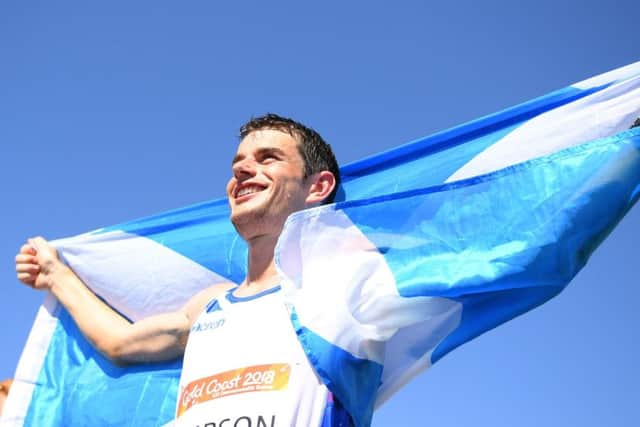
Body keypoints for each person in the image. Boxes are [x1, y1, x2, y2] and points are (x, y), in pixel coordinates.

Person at [15, 114, 350, 426]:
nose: (243, 169)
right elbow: (118, 344)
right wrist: (56, 275)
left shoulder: (347, 289)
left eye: (267, 158)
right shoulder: (208, 307)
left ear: (317, 187)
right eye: (238, 162)